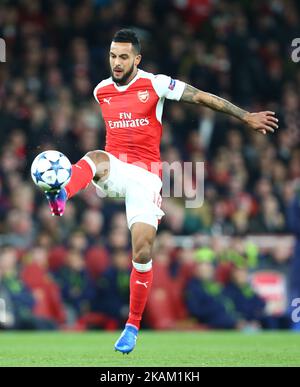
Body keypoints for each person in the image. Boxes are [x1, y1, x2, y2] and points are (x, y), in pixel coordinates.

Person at [43, 29, 278, 353]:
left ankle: (132, 326)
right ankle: (60, 195)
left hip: (146, 178)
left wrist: (245, 116)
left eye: (124, 56)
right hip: (116, 168)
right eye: (113, 56)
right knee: (94, 157)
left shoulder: (156, 84)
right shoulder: (102, 91)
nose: (117, 62)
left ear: (136, 59)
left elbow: (201, 97)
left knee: (141, 251)